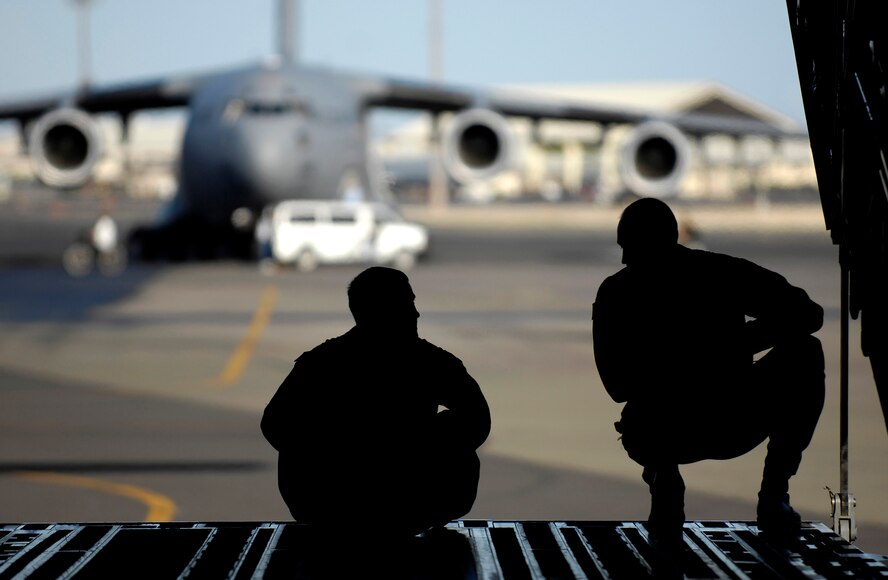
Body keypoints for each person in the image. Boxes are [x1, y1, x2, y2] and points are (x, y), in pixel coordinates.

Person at [592, 198, 825, 551]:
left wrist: (721, 347)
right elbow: (808, 314)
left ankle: (667, 481)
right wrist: (733, 346)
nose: (624, 259)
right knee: (805, 353)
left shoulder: (617, 291)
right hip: (729, 419)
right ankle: (773, 494)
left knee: (806, 351)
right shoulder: (722, 272)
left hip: (665, 430)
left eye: (629, 247)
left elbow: (617, 386)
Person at [261, 266, 491, 536]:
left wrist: (324, 450)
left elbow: (274, 423)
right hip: (410, 504)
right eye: (407, 303)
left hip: (328, 509)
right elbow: (478, 420)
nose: (416, 313)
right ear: (384, 309)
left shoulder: (320, 362)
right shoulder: (432, 363)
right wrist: (424, 440)